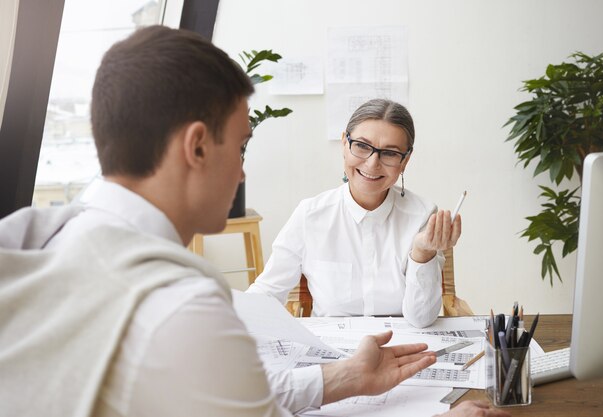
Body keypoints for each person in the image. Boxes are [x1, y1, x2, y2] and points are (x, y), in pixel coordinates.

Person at [0, 26, 508, 417]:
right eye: (241, 146)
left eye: (390, 154)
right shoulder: (185, 304)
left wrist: (346, 378)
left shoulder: (25, 239)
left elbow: (245, 392)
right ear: (197, 146)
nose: (243, 170)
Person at [247, 98, 461, 328]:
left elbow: (421, 319)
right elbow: (267, 292)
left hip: (401, 350)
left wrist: (421, 252)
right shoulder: (310, 215)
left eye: (389, 153)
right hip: (334, 354)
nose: (372, 163)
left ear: (405, 161)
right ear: (344, 144)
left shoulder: (422, 216)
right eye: (361, 145)